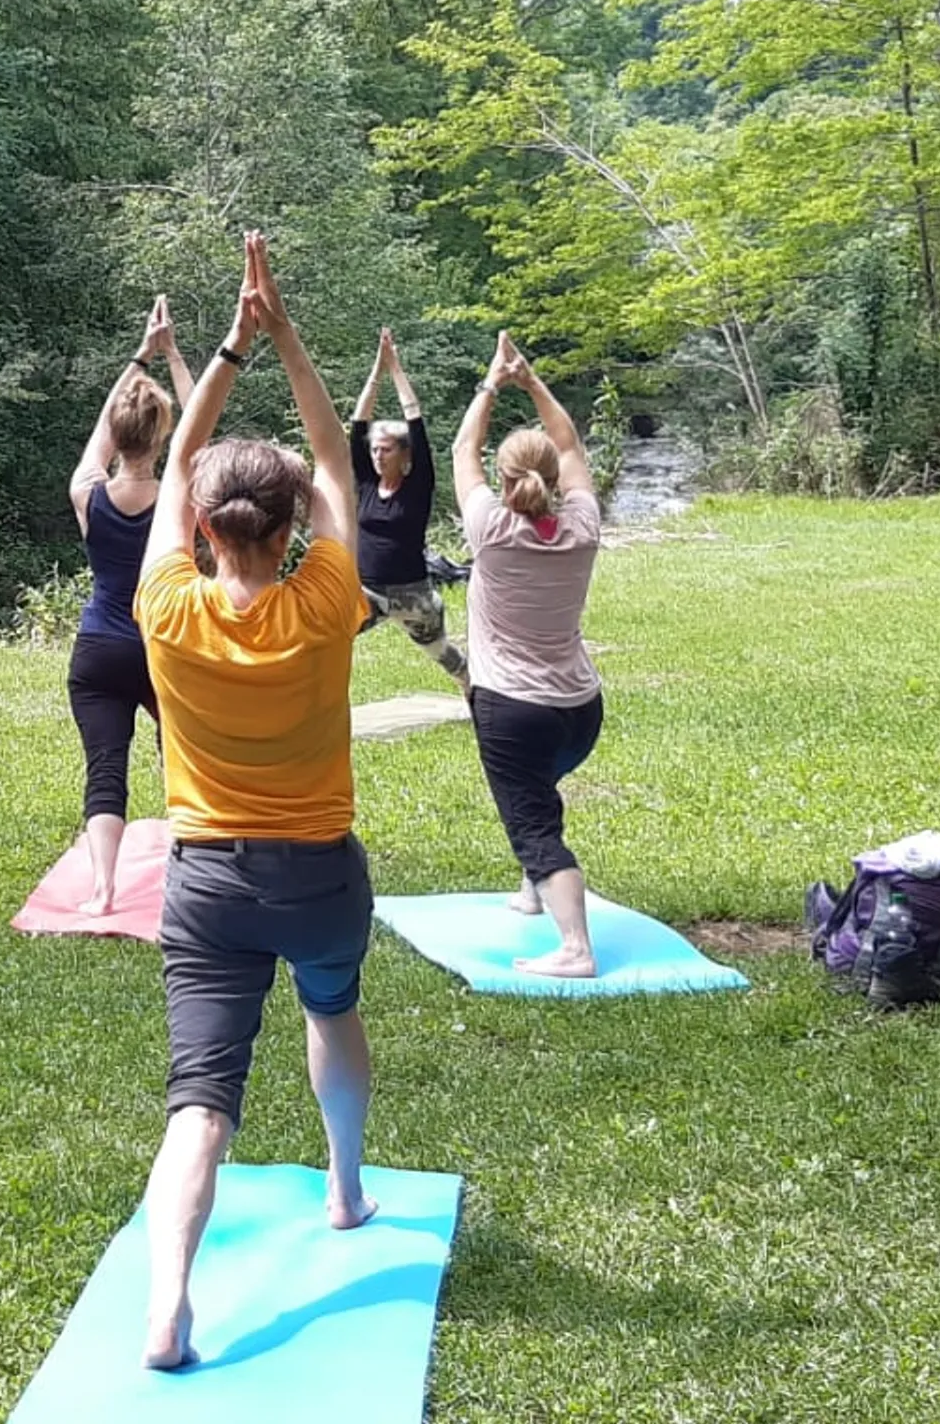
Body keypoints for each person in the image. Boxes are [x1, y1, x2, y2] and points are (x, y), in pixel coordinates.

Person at [135, 232, 378, 1371]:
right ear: (288, 536)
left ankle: (168, 1301)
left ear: (199, 529)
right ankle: (344, 1188)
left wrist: (228, 345)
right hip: (319, 872)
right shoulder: (328, 597)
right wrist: (285, 336)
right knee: (331, 1013)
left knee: (201, 1098)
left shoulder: (165, 603)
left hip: (208, 880)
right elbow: (333, 448)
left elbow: (184, 449)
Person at [451, 333, 608, 978]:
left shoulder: (489, 528)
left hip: (515, 710)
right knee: (538, 795)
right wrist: (533, 382)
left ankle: (577, 948)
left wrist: (492, 382)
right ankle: (529, 891)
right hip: (581, 711)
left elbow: (463, 449)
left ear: (509, 478)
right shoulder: (583, 526)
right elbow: (569, 446)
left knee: (535, 826)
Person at [65, 299, 196, 915]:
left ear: (117, 435)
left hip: (99, 650)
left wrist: (141, 352)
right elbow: (201, 418)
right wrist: (170, 355)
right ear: (162, 432)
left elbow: (99, 432)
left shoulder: (87, 494)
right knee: (186, 764)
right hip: (165, 645)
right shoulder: (181, 494)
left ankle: (102, 890)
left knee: (105, 770)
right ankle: (191, 876)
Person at [346, 327, 469, 686]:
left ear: (405, 455)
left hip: (412, 593)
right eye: (374, 450)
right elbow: (358, 425)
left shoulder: (417, 487)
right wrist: (376, 371)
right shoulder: (368, 483)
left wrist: (395, 368)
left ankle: (469, 683)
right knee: (328, 638)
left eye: (386, 449)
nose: (378, 455)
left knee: (442, 653)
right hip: (367, 593)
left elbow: (416, 423)